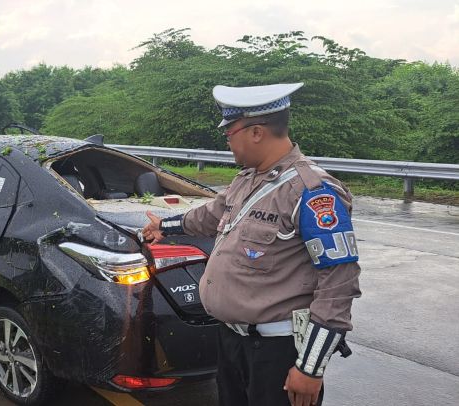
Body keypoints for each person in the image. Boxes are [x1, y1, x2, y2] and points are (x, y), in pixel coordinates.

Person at [142, 83, 361, 406]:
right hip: (232, 343)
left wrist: (310, 368)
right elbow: (211, 214)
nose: (227, 141)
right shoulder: (248, 179)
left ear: (256, 132)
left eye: (229, 132)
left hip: (277, 352)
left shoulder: (313, 192)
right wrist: (165, 226)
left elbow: (339, 284)